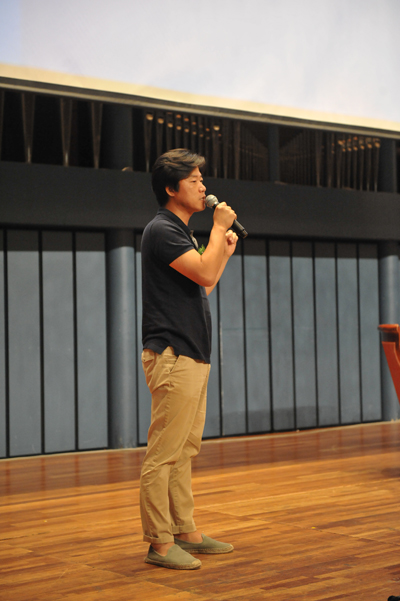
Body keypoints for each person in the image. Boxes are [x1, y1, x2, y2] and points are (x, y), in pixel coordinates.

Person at [140, 148, 238, 570]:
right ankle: (159, 543)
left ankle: (185, 530)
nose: (203, 187)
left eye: (202, 179)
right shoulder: (163, 229)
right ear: (171, 188)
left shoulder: (178, 232)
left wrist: (223, 251)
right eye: (194, 180)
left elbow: (205, 282)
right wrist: (218, 230)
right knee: (163, 453)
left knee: (183, 450)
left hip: (192, 353)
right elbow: (203, 272)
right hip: (173, 353)